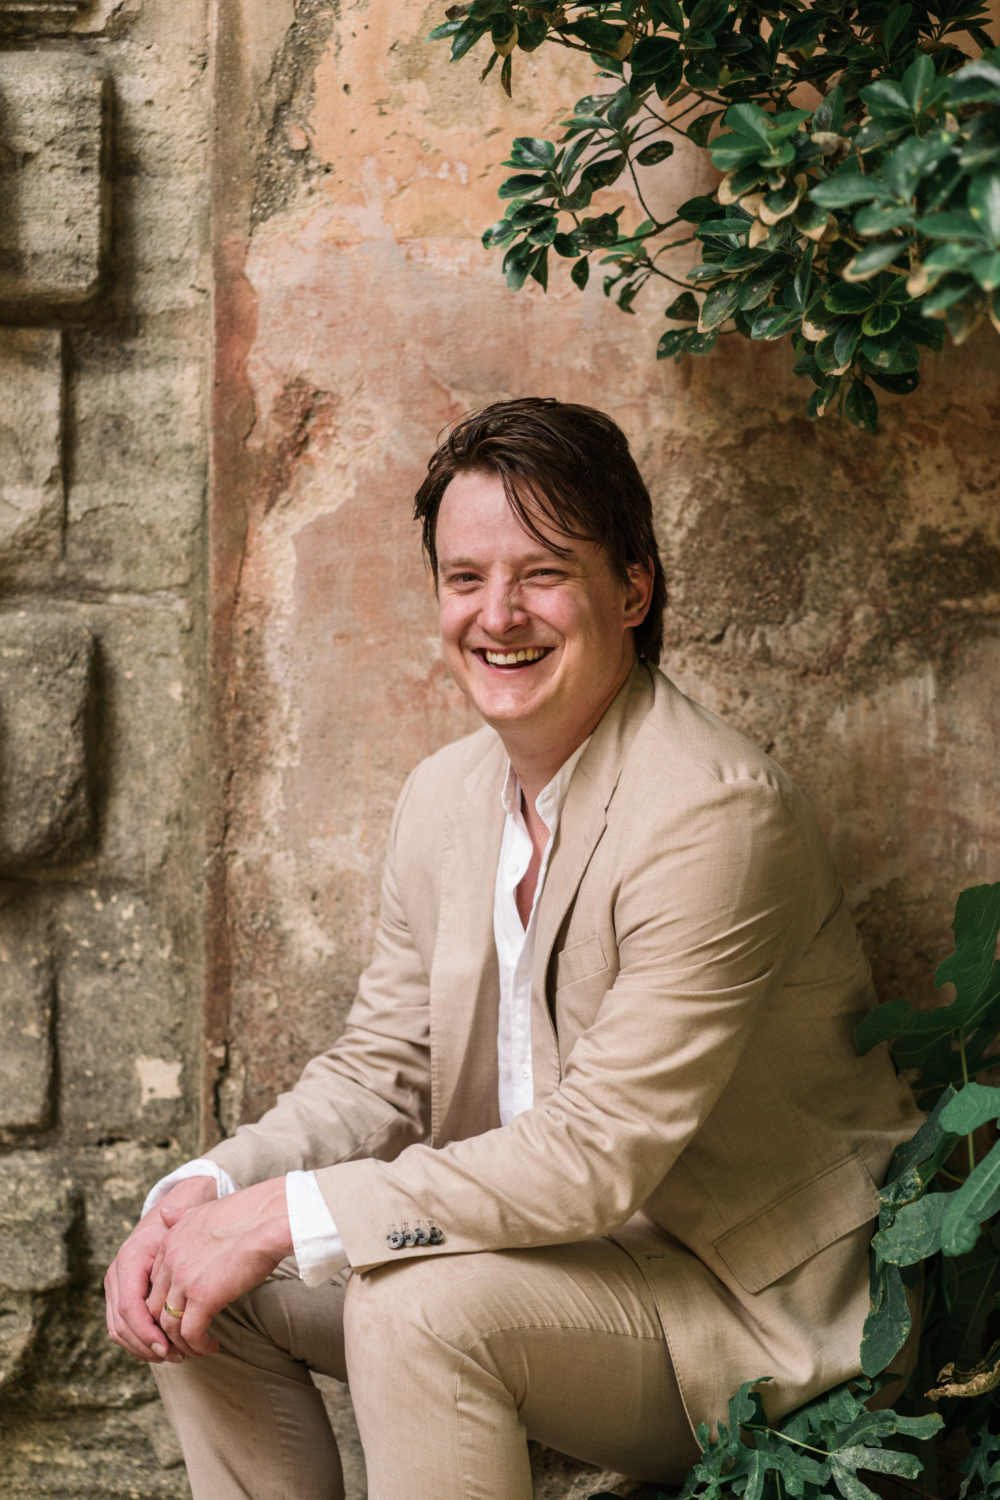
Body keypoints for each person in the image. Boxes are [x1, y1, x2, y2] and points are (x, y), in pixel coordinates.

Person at [105, 397, 921, 1500]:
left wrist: (282, 1216)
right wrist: (206, 1190)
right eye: (463, 578)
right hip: (549, 1259)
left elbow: (595, 1157)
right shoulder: (445, 797)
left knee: (415, 1306)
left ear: (630, 588)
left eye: (541, 573)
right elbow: (378, 1066)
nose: (497, 614)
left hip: (736, 1301)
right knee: (197, 1281)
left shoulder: (712, 814)